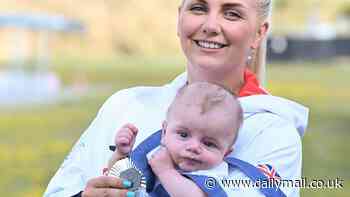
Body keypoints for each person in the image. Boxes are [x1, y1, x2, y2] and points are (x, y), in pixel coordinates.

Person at [44, 0, 309, 196]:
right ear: (179, 18)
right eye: (198, 8)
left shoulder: (274, 131)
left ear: (259, 33)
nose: (210, 25)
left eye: (232, 13)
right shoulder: (126, 105)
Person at [105, 82, 243, 196]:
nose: (194, 147)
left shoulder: (214, 174)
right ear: (164, 133)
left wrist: (166, 171)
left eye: (209, 144)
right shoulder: (155, 155)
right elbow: (120, 182)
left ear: (225, 153)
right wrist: (120, 156)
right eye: (183, 135)